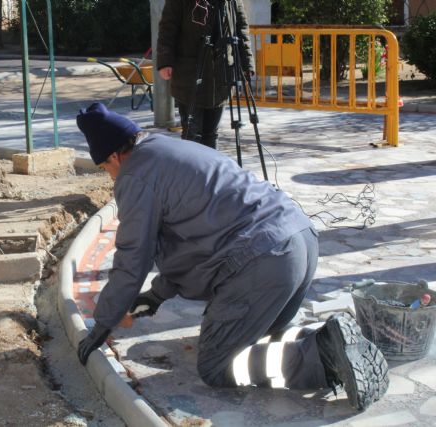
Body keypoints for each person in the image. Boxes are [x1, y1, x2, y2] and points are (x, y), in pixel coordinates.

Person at [75, 103, 389, 410]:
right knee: (259, 338)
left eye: (106, 169)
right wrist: (157, 295)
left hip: (263, 260)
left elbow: (133, 256)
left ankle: (323, 356)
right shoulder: (167, 150)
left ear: (115, 155)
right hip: (299, 239)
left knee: (218, 365)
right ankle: (330, 340)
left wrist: (103, 322)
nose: (111, 178)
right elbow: (192, 241)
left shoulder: (135, 175)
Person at [156, 0, 255, 149]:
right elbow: (167, 29)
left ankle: (210, 170)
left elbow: (241, 29)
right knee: (192, 133)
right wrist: (165, 61)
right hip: (190, 75)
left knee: (211, 133)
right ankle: (192, 171)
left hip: (221, 75)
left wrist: (247, 64)